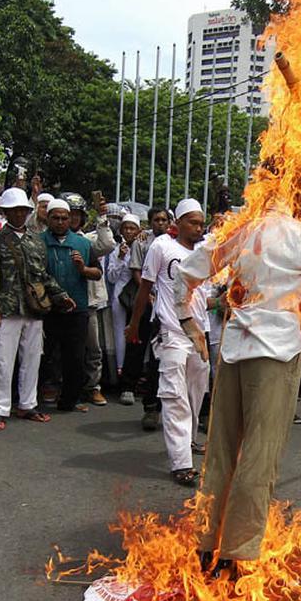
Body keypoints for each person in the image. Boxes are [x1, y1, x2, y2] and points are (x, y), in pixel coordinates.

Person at [173, 206, 301, 569]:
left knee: (220, 450)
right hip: (276, 352)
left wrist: (186, 319)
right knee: (260, 456)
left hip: (234, 348)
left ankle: (206, 542)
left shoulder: (241, 231)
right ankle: (238, 552)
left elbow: (188, 271)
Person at [128, 199, 209, 486]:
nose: (199, 228)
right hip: (171, 332)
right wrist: (134, 323)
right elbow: (146, 288)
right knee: (175, 397)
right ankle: (181, 463)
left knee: (196, 393)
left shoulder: (206, 252)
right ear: (179, 222)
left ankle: (188, 442)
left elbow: (205, 297)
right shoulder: (161, 246)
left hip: (199, 335)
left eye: (202, 223)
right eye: (193, 222)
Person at [0, 188, 73, 431]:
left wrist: (60, 295)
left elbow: (42, 274)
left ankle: (27, 404)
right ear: (7, 212)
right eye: (15, 210)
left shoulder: (35, 240)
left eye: (23, 210)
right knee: (2, 359)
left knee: (32, 359)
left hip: (34, 307)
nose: (19, 214)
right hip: (7, 307)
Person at [41, 198, 100, 414]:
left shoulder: (83, 244)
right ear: (47, 219)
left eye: (64, 218)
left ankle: (69, 400)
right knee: (44, 356)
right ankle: (35, 398)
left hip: (77, 309)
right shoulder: (38, 241)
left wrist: (83, 269)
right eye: (55, 218)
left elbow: (97, 273)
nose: (60, 222)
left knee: (74, 357)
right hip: (46, 309)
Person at [63, 192, 116, 408]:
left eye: (77, 215)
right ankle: (59, 386)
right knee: (62, 350)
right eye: (70, 214)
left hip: (88, 302)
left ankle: (93, 387)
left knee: (93, 348)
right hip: (61, 302)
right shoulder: (51, 238)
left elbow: (108, 244)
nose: (74, 219)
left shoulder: (88, 240)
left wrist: (102, 218)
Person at [120, 206, 171, 413]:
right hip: (145, 298)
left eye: (164, 220)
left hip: (166, 302)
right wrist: (147, 293)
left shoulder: (174, 241)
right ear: (150, 222)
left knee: (161, 347)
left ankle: (157, 393)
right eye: (157, 220)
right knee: (137, 341)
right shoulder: (142, 242)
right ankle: (128, 386)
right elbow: (136, 270)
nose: (161, 223)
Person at [107, 213, 141, 380]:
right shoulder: (115, 250)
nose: (128, 231)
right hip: (120, 295)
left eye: (132, 228)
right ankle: (120, 368)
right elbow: (111, 277)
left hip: (139, 294)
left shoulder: (143, 247)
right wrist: (120, 258)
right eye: (126, 228)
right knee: (120, 332)